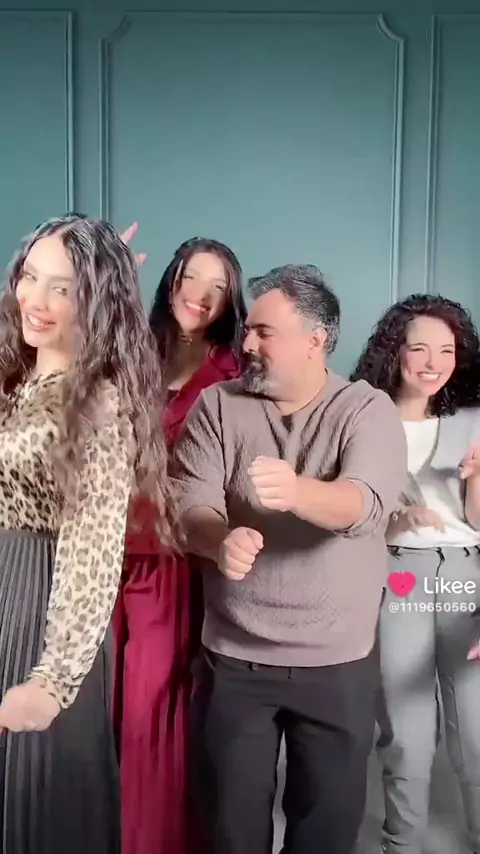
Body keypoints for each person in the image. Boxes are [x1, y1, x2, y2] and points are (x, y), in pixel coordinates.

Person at [170, 264, 407, 854]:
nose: (246, 342)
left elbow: (367, 505)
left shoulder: (366, 409)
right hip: (234, 662)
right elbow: (188, 503)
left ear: (314, 340)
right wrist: (218, 539)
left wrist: (299, 492)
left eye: (264, 332)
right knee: (231, 831)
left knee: (325, 831)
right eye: (247, 329)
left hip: (338, 665)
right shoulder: (217, 405)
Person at [0, 214, 177, 854]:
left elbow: (93, 551)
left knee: (34, 805)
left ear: (96, 302)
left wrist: (53, 680)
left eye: (63, 289)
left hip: (40, 606)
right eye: (30, 277)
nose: (36, 299)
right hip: (5, 587)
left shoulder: (99, 403)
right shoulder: (16, 375)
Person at [113, 237, 247, 854]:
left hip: (176, 564)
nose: (200, 295)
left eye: (218, 287)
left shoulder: (235, 372)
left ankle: (154, 842)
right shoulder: (130, 352)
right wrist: (99, 273)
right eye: (192, 278)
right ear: (172, 280)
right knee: (99, 706)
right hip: (102, 553)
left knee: (154, 712)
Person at [351, 294, 480, 854]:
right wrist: (395, 521)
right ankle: (401, 844)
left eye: (446, 351)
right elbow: (350, 514)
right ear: (394, 350)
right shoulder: (362, 419)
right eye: (420, 348)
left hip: (466, 575)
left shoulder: (473, 420)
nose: (433, 363)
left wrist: (476, 479)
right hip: (397, 573)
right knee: (405, 730)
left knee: (476, 730)